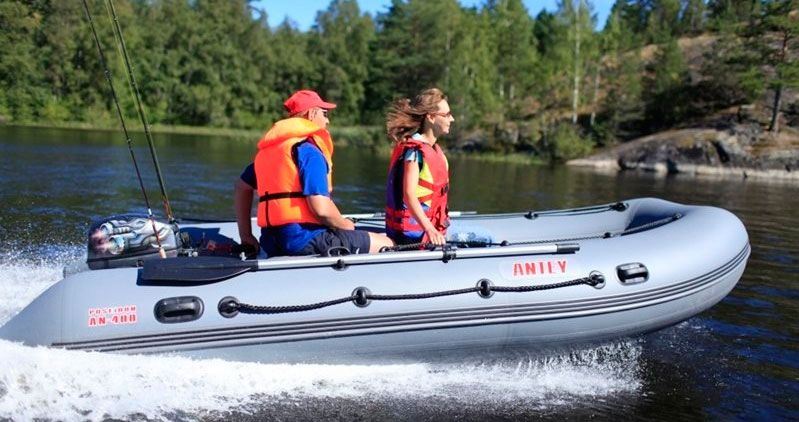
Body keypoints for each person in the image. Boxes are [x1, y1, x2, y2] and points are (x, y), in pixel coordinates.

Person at [235, 90, 394, 257]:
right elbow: (321, 210)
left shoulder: (269, 153)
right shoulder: (309, 151)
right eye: (324, 114)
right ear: (312, 114)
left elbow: (241, 187)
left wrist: (245, 235)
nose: (327, 120)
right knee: (388, 243)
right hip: (305, 239)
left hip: (271, 242)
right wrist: (346, 225)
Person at [384, 88, 454, 246]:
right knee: (486, 237)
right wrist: (430, 229)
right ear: (430, 117)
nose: (452, 119)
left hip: (432, 228)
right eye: (447, 115)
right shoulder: (414, 151)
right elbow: (408, 195)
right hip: (415, 235)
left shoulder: (434, 150)